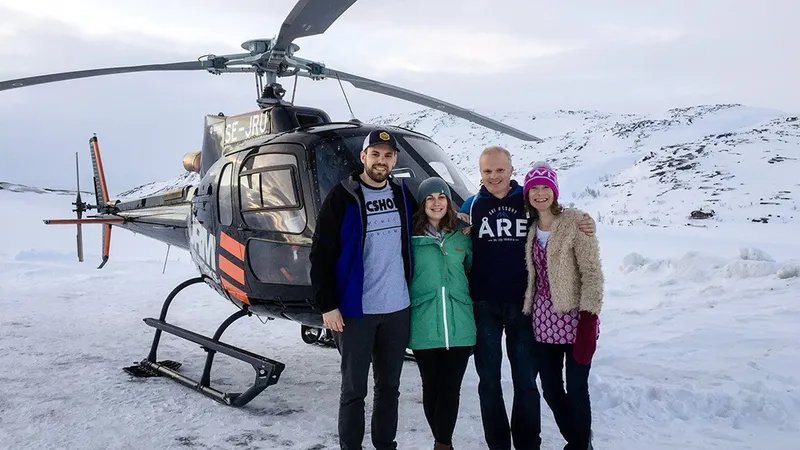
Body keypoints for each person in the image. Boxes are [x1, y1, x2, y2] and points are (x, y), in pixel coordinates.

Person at [458, 146, 595, 450]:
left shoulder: (528, 202)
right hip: (484, 306)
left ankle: (527, 443)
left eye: (500, 170)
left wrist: (586, 222)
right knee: (489, 382)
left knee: (525, 382)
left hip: (524, 307)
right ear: (480, 173)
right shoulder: (470, 206)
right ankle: (498, 444)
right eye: (487, 171)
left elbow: (558, 218)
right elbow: (442, 226)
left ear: (511, 170)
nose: (494, 176)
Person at [309, 129, 416, 450]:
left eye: (388, 155)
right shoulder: (343, 197)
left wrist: (463, 220)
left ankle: (386, 445)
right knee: (354, 390)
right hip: (356, 312)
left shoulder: (401, 193)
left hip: (397, 309)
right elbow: (321, 253)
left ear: (394, 159)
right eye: (375, 154)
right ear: (363, 157)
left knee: (389, 387)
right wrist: (327, 305)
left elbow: (428, 223)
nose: (381, 161)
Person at [521, 162, 603, 450]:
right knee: (552, 389)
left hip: (574, 319)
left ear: (554, 191)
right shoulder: (531, 227)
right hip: (543, 322)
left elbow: (592, 273)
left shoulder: (575, 221)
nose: (540, 193)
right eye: (534, 188)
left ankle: (581, 445)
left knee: (577, 388)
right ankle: (578, 440)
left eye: (546, 187)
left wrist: (589, 319)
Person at [407, 177, 475, 450]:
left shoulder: (463, 236)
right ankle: (442, 440)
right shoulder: (410, 239)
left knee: (451, 389)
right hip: (425, 322)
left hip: (460, 323)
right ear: (423, 204)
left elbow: (477, 269)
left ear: (448, 201)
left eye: (442, 197)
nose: (437, 203)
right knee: (431, 388)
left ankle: (442, 444)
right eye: (430, 198)